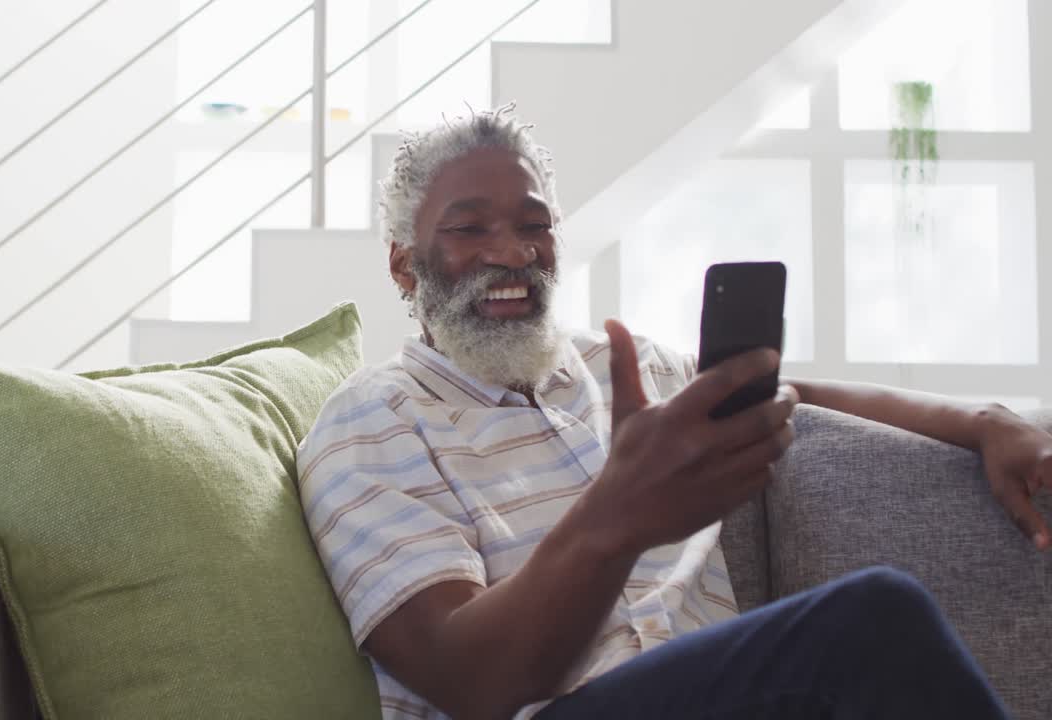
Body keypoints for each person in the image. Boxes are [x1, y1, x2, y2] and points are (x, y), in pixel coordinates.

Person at [295, 106, 1050, 720]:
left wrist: (984, 421)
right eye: (469, 229)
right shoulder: (370, 422)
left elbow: (797, 396)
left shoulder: (616, 367)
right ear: (404, 263)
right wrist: (617, 517)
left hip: (715, 698)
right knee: (872, 618)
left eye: (534, 225)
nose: (515, 252)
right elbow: (472, 682)